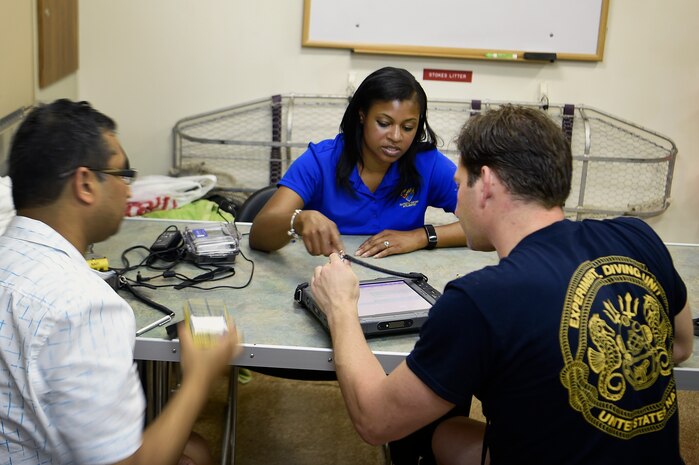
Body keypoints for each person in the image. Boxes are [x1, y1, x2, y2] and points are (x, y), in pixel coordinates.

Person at [309, 105, 695, 464]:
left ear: (487, 183)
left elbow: (376, 421)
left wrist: (340, 305)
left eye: (460, 185)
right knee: (452, 431)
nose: (456, 202)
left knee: (427, 429)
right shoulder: (637, 236)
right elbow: (680, 346)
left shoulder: (480, 299)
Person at [0, 99, 240, 465]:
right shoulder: (85, 305)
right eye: (123, 175)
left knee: (192, 450)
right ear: (85, 183)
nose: (129, 190)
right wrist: (201, 376)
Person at [249, 67, 466, 258]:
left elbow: (488, 224)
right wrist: (299, 220)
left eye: (408, 127)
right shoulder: (320, 161)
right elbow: (258, 235)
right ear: (362, 115)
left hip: (400, 284)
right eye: (384, 123)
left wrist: (422, 236)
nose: (396, 136)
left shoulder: (427, 163)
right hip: (326, 279)